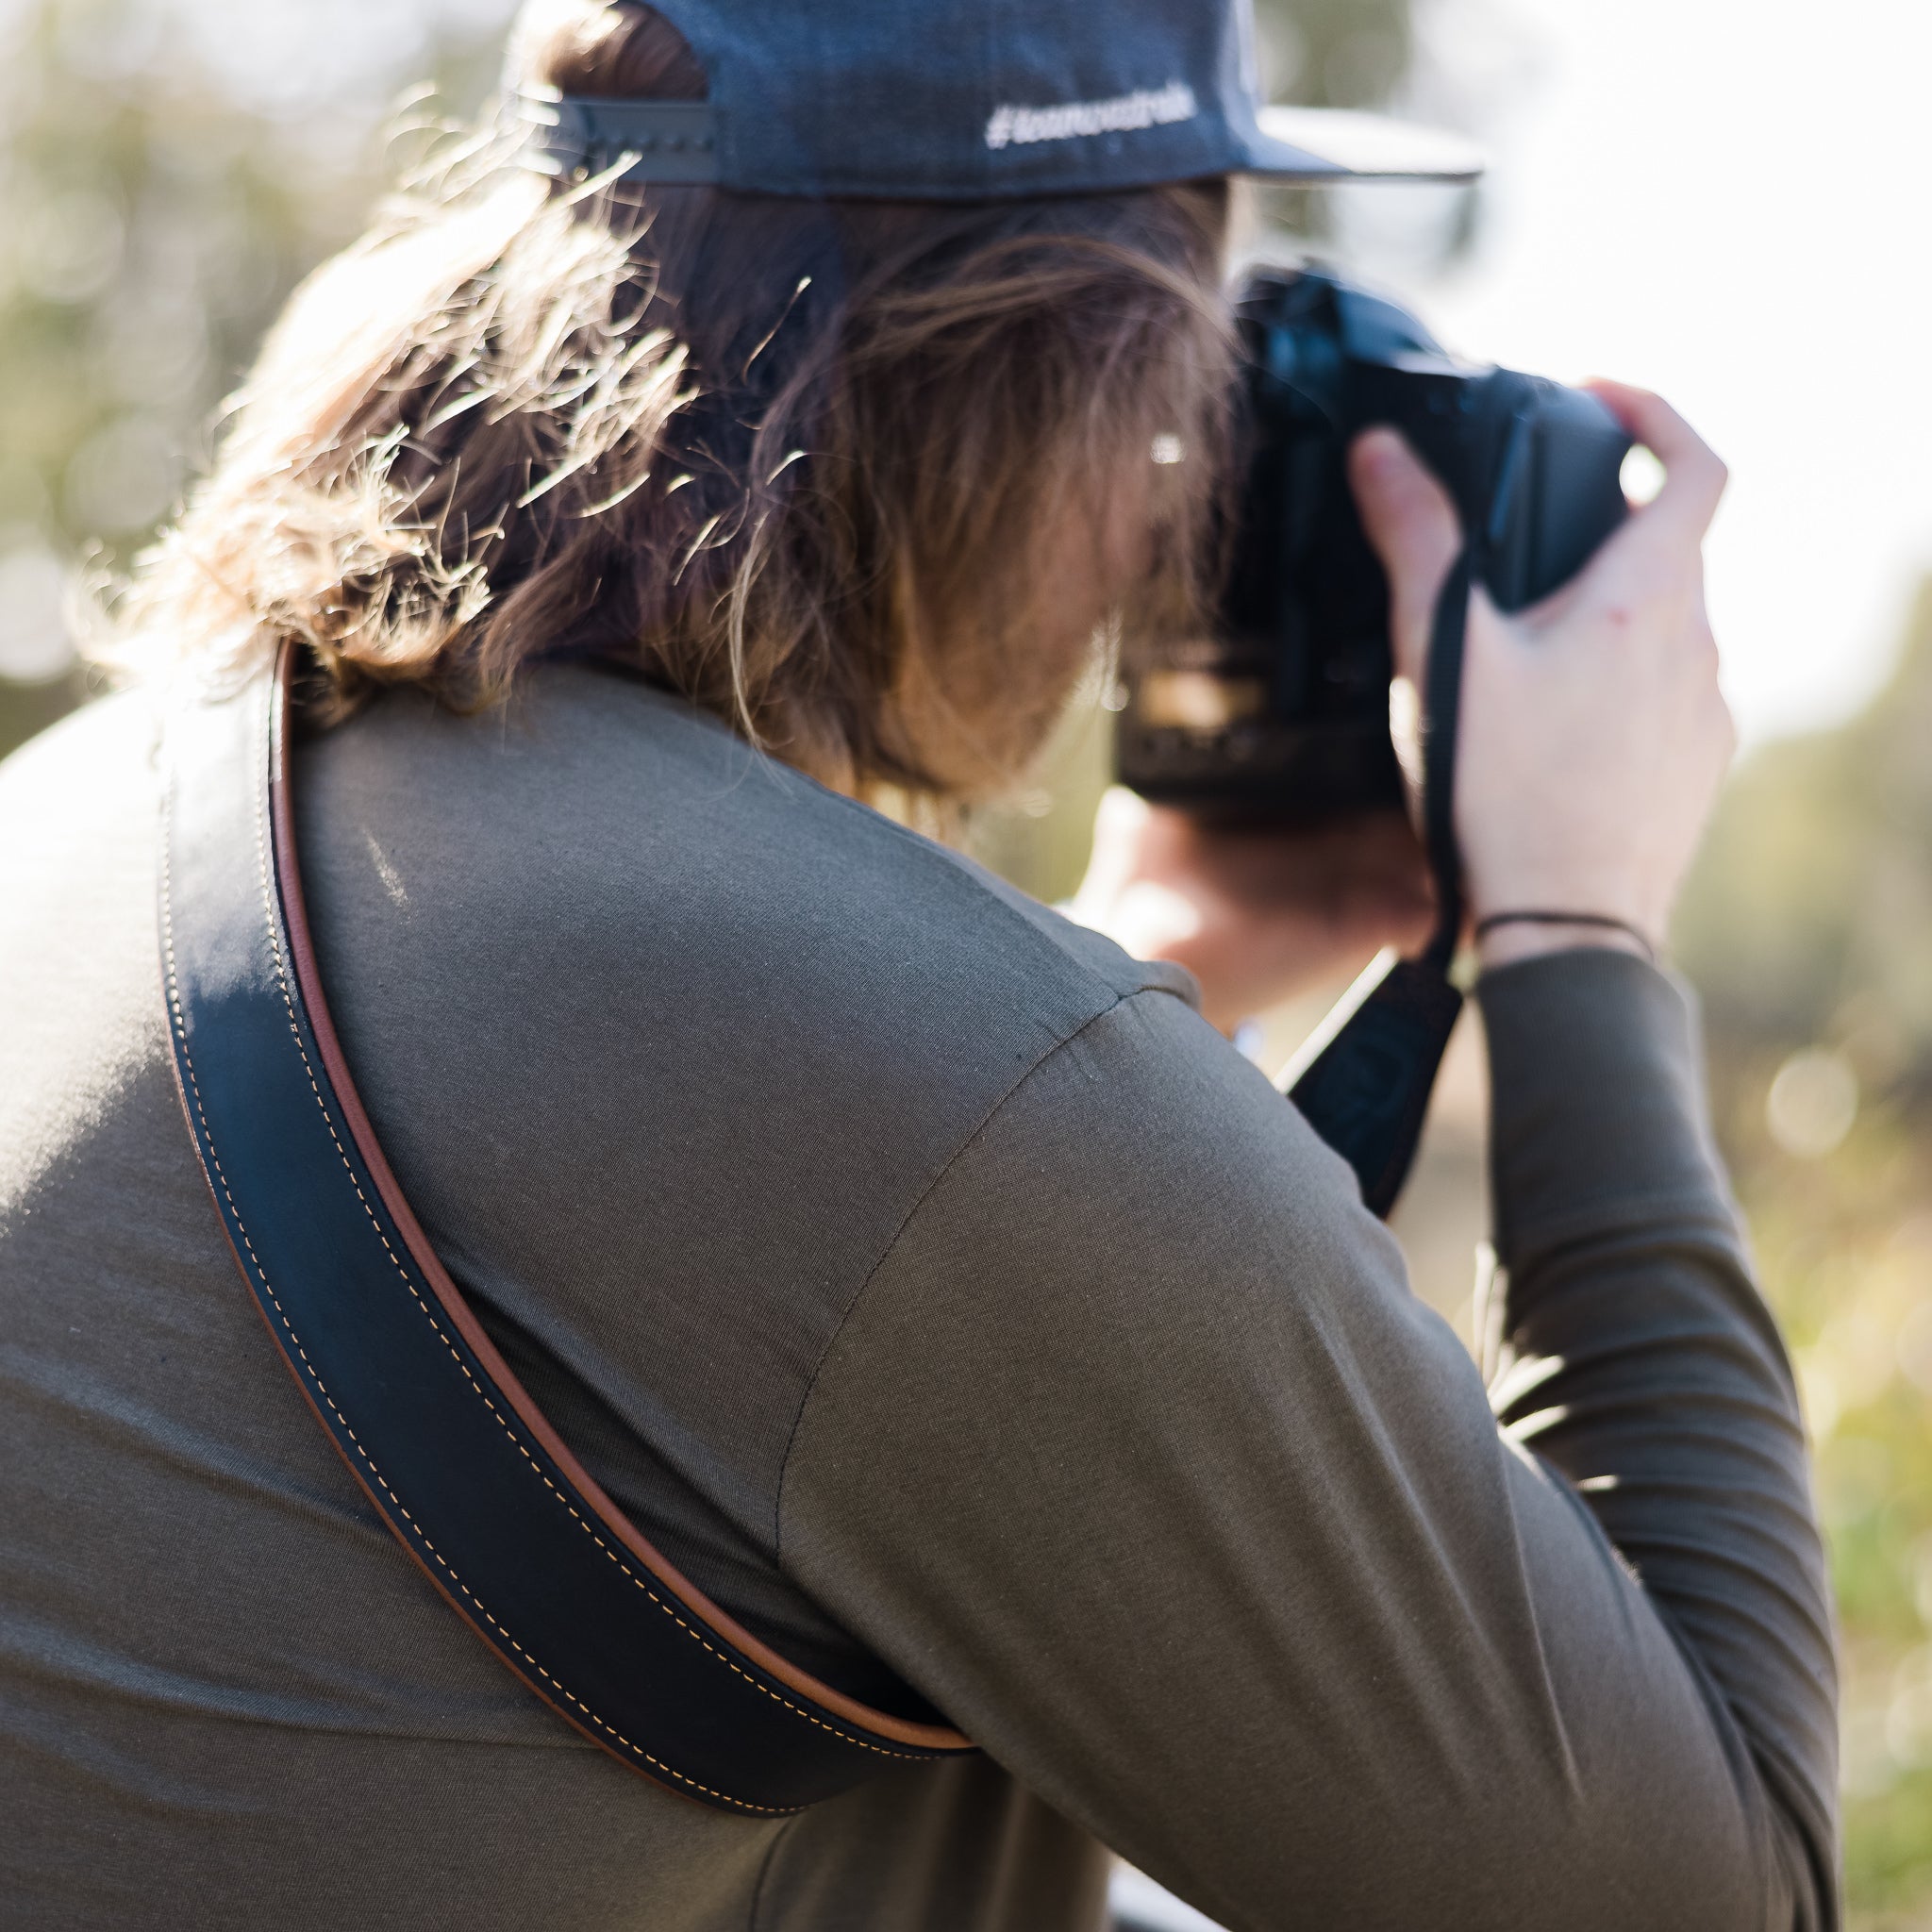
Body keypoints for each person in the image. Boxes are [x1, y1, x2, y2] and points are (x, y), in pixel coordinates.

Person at [0, 2, 1837, 1927]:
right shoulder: (921, 1090)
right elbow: (1720, 1897)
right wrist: (1574, 930)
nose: (1180, 510)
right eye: (1197, 389)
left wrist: (1155, 977)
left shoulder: (124, 787)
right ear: (1081, 370)